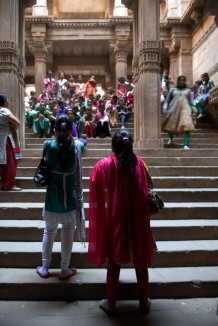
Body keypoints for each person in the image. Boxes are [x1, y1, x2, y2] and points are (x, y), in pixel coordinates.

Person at [88, 129, 156, 316]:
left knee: (114, 263)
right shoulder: (140, 163)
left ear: (113, 145)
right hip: (138, 222)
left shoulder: (104, 165)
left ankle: (111, 304)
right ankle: (143, 303)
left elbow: (95, 186)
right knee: (141, 263)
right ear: (130, 144)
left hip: (116, 221)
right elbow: (149, 187)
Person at [36, 115, 85, 280]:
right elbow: (83, 143)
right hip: (70, 196)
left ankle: (44, 267)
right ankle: (64, 269)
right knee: (68, 233)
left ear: (55, 128)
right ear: (71, 129)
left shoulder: (48, 145)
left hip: (52, 195)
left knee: (49, 232)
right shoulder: (77, 145)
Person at [162, 75, 196, 149]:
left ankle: (186, 144)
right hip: (173, 109)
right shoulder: (173, 90)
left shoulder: (188, 91)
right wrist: (165, 108)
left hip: (186, 110)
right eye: (180, 80)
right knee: (170, 125)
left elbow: (191, 101)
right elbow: (167, 101)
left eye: (183, 80)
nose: (181, 81)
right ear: (178, 81)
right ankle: (171, 139)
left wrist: (193, 109)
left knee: (187, 125)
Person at [0, 93, 21, 191]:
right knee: (10, 160)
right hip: (5, 139)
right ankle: (9, 184)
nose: (8, 102)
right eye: (7, 100)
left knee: (2, 161)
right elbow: (17, 122)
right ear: (4, 102)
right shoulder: (4, 110)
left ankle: (3, 183)